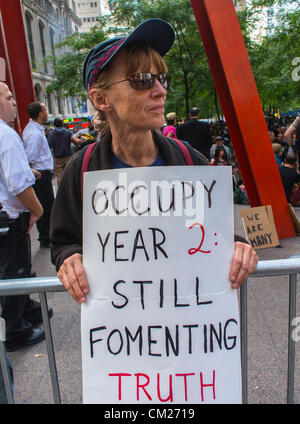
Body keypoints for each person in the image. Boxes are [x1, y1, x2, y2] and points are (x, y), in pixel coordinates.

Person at [50, 18, 258, 306]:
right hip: (121, 330)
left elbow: (215, 236)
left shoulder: (189, 162)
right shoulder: (82, 169)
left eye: (163, 79)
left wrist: (240, 249)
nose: (160, 90)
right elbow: (63, 242)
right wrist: (69, 259)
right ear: (100, 99)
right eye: (142, 80)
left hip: (185, 325)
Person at [0, 82, 47, 355]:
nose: (14, 102)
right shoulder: (6, 136)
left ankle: (22, 313)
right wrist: (37, 210)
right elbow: (18, 185)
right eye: (8, 97)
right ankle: (14, 330)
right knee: (13, 274)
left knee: (12, 273)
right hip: (9, 219)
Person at [22, 102, 54, 248]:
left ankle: (46, 236)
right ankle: (46, 237)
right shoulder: (34, 133)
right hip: (40, 174)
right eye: (45, 109)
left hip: (41, 173)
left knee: (47, 205)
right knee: (46, 206)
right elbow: (31, 156)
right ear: (41, 113)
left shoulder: (33, 129)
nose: (46, 112)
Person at [48, 118, 74, 185]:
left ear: (54, 125)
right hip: (69, 156)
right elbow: (74, 141)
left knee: (59, 176)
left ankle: (61, 190)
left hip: (58, 158)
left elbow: (49, 145)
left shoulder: (52, 134)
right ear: (62, 123)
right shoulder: (68, 132)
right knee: (70, 174)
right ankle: (71, 188)